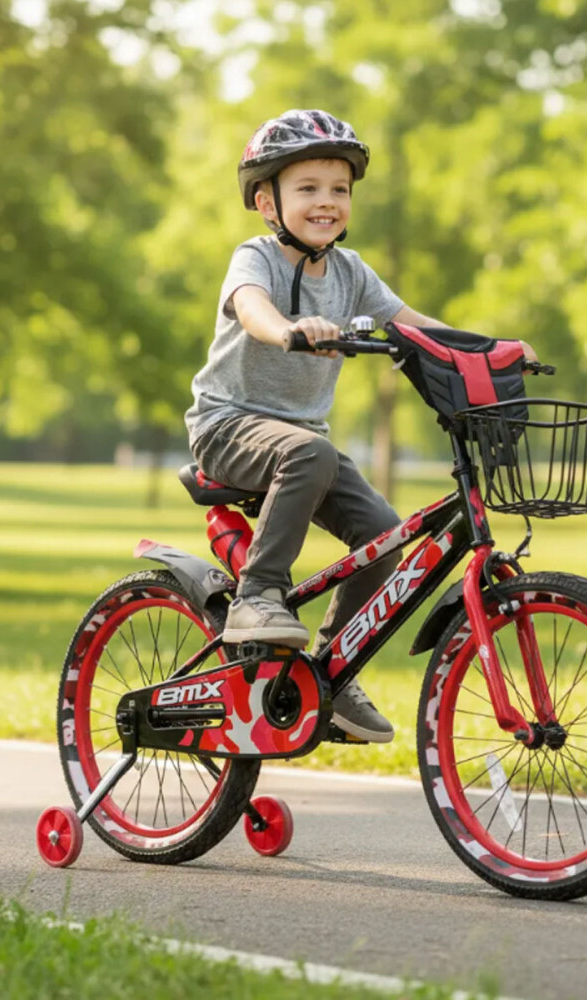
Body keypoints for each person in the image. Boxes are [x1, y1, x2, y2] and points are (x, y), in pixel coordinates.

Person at [185, 109, 445, 743]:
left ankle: (330, 671)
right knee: (309, 452)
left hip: (304, 448)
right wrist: (290, 331)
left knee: (384, 535)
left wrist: (487, 348)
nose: (326, 202)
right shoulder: (257, 258)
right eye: (307, 189)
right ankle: (257, 597)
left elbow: (413, 324)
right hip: (228, 426)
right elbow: (253, 310)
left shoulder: (352, 272)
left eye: (339, 189)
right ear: (267, 202)